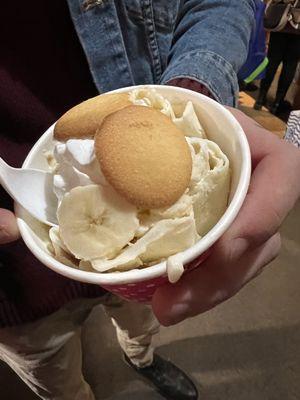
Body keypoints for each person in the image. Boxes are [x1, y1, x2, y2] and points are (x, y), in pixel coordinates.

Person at [1, 1, 299, 400]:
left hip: (152, 257)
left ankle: (141, 359)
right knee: (54, 375)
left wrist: (198, 90)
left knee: (142, 322)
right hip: (15, 275)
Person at [254, 30, 300, 114]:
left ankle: (260, 98)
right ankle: (277, 103)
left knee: (272, 61)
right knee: (290, 66)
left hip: (282, 25)